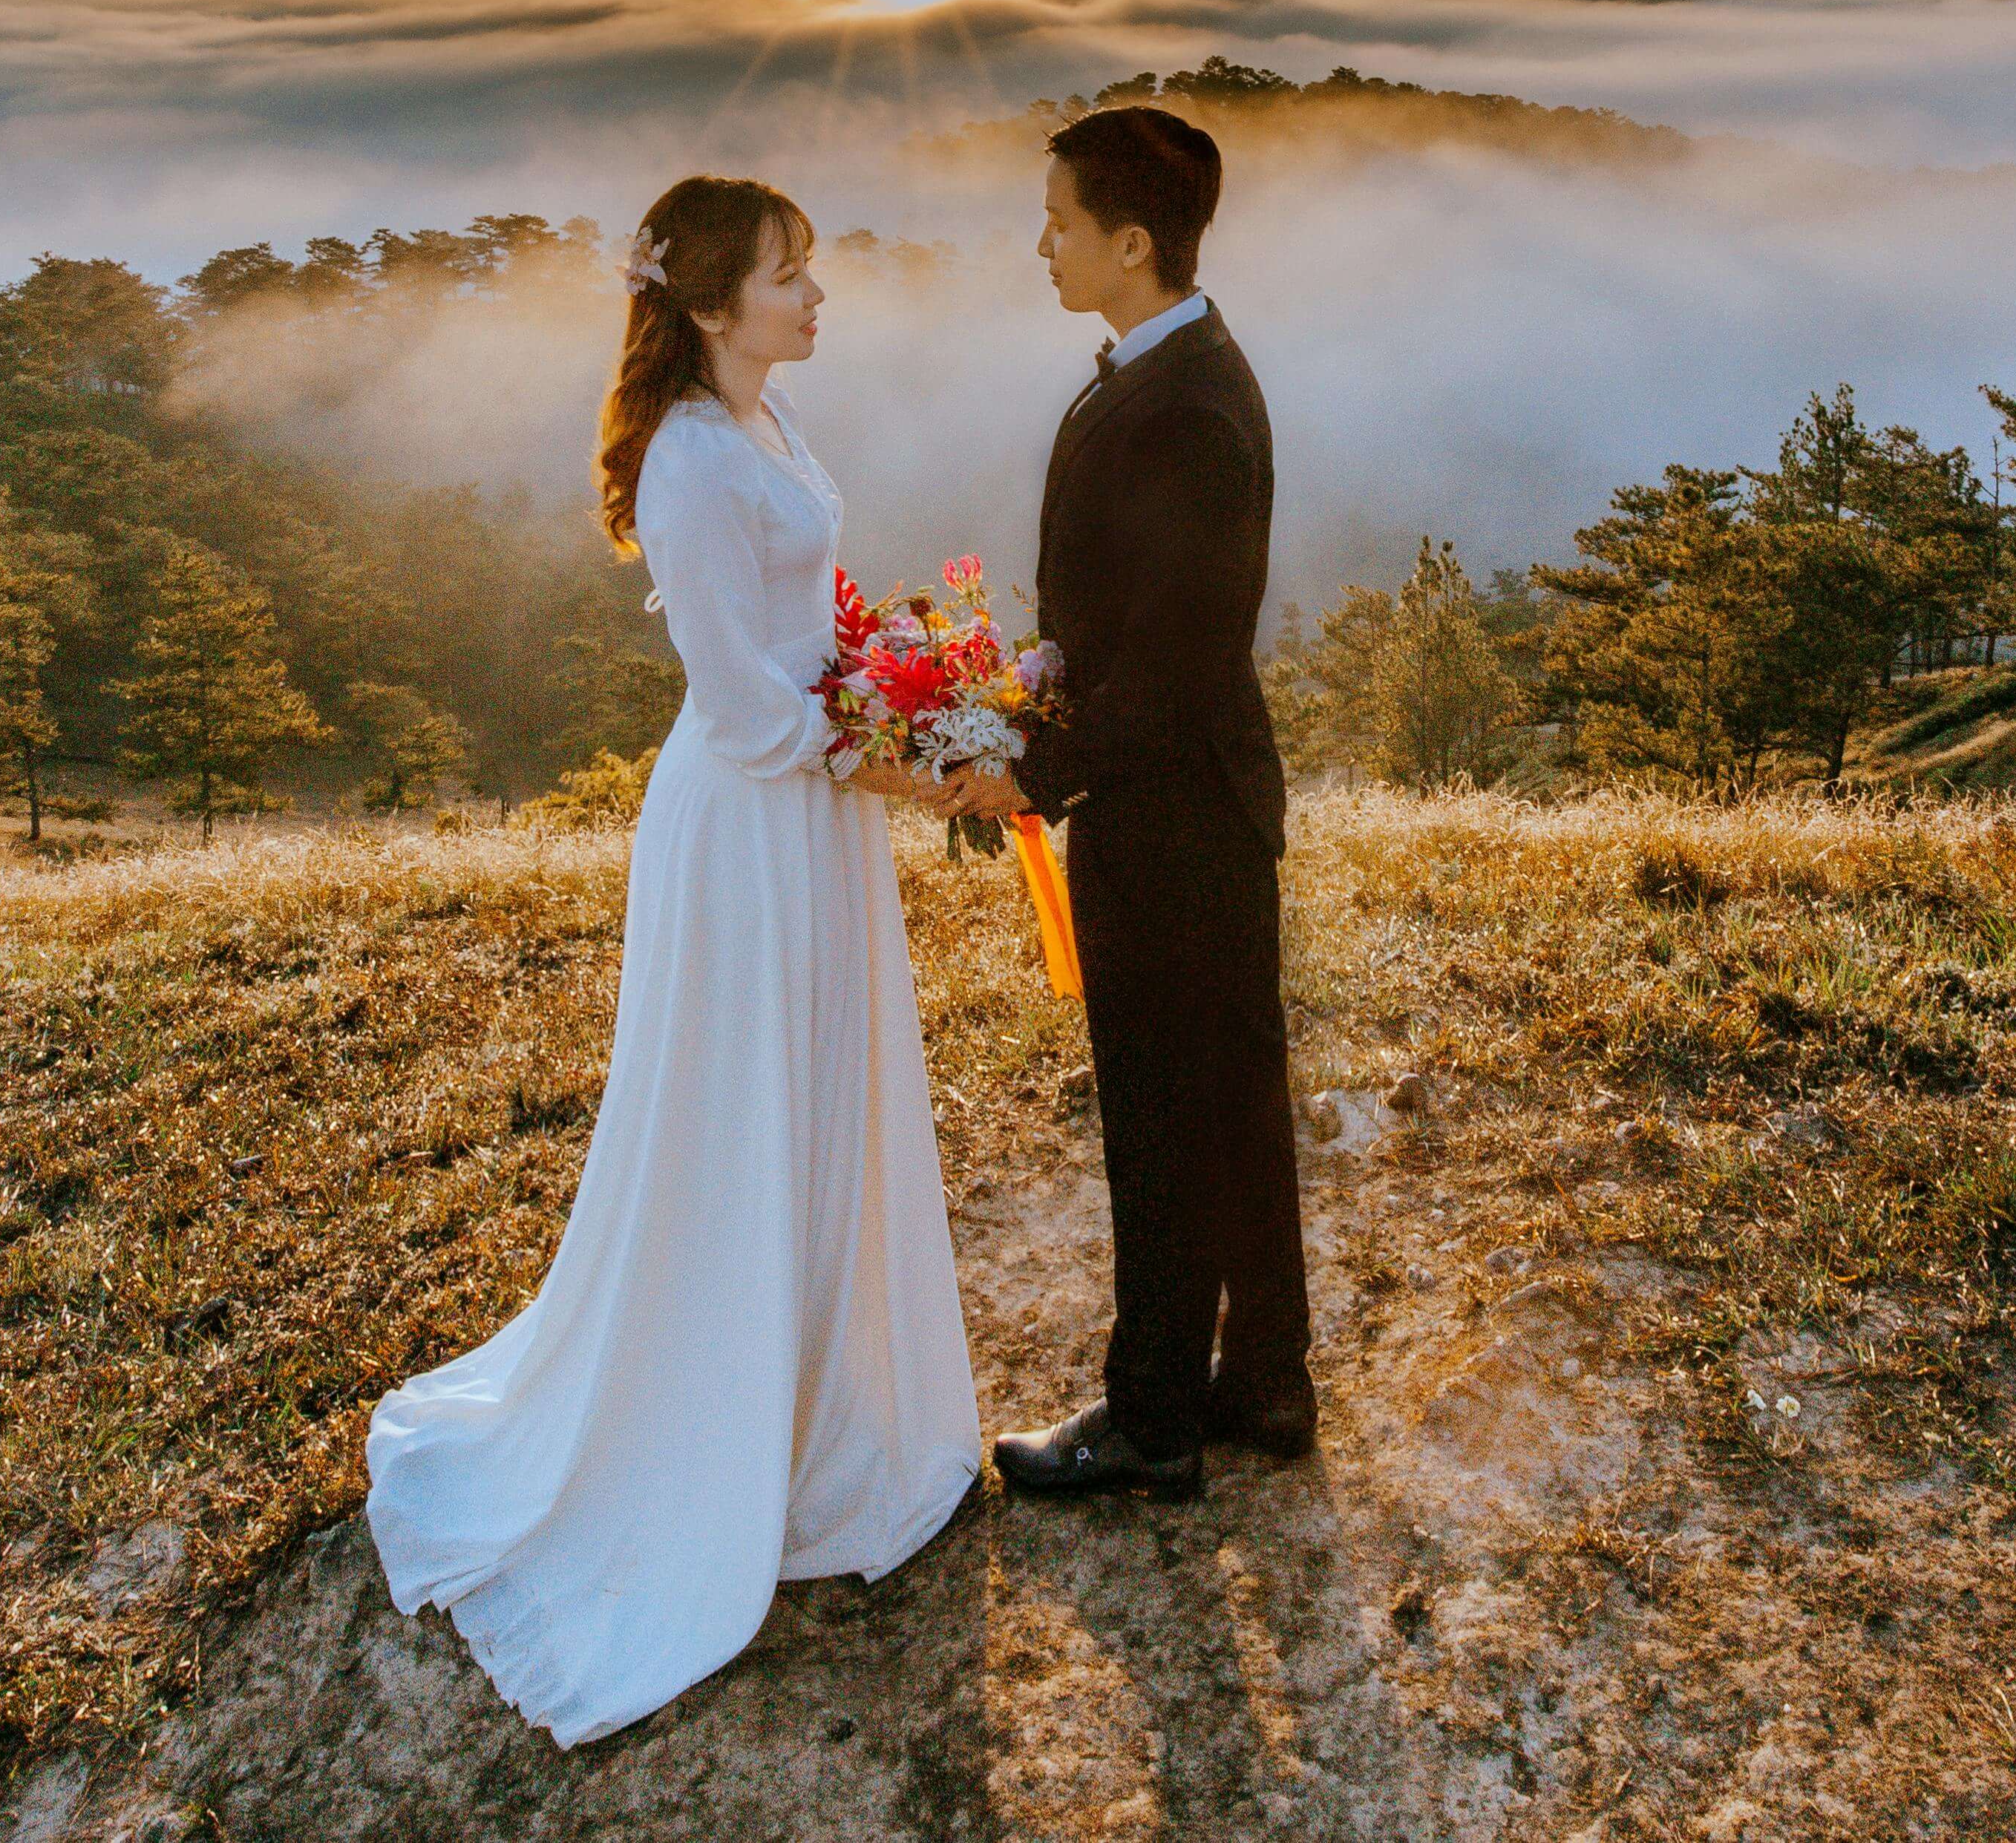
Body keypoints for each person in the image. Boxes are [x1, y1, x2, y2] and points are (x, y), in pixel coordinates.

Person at [364, 176, 978, 1744]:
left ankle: (823, 1415)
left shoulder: (763, 425)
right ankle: (706, 1440)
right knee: (736, 1114)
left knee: (824, 1090)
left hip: (819, 811)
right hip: (754, 819)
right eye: (791, 275)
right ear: (713, 304)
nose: (817, 295)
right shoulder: (690, 459)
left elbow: (813, 637)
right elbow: (739, 692)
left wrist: (901, 683)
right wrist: (907, 764)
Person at [943, 104, 1311, 1499]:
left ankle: (1155, 1418)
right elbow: (1117, 625)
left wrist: (1034, 764)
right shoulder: (1163, 370)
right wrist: (1022, 696)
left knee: (1162, 1112)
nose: (1041, 244)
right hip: (1184, 795)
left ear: (1133, 243)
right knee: (1231, 1097)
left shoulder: (1191, 410)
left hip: (1173, 811)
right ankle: (1267, 1384)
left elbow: (1179, 653)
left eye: (1059, 222)